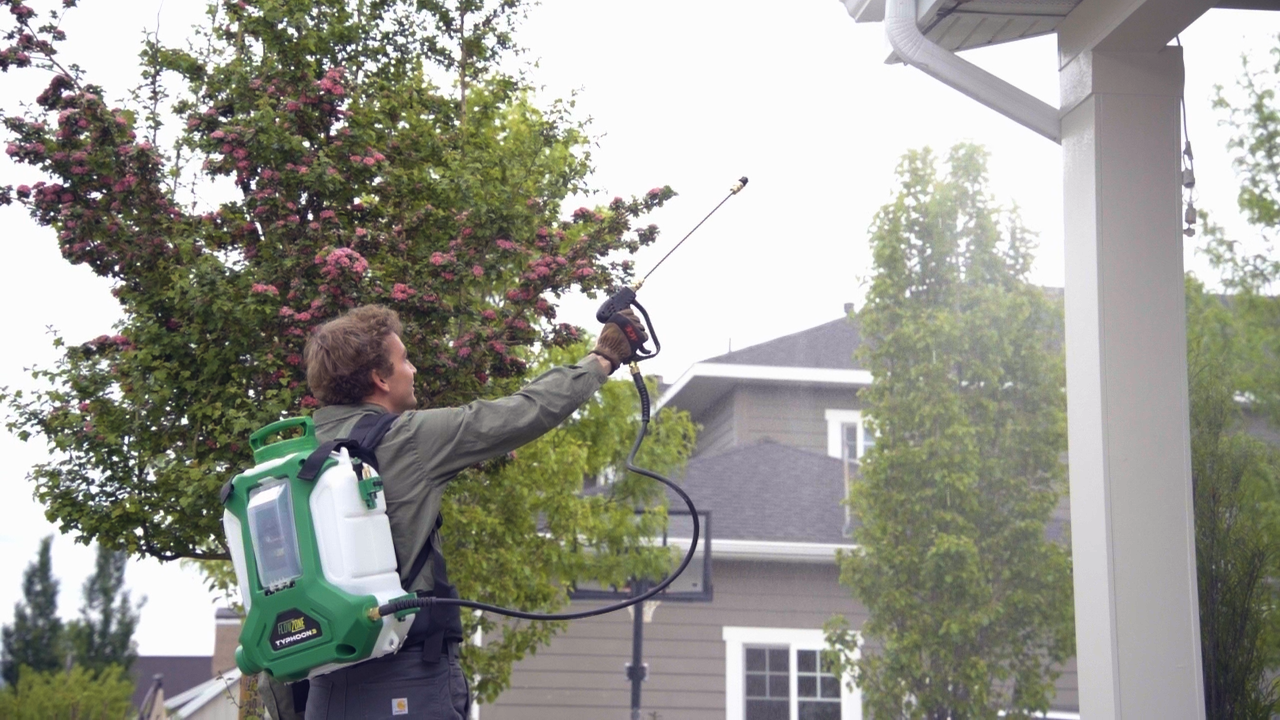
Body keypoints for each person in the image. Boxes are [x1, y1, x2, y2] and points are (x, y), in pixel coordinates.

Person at [269, 304, 643, 720]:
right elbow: (520, 413)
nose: (412, 370)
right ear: (379, 379)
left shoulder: (291, 460)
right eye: (404, 360)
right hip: (406, 677)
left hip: (322, 687)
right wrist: (603, 359)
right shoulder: (407, 439)